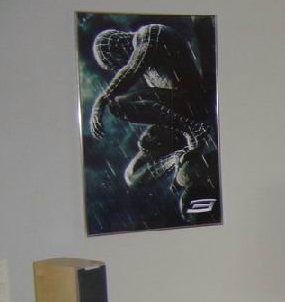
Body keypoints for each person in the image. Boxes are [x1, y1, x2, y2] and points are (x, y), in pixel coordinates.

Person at [89, 24, 215, 213]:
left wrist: (102, 100)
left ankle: (192, 130)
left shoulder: (150, 34)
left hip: (193, 104)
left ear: (115, 47)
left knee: (118, 103)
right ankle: (177, 158)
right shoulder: (142, 60)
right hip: (179, 120)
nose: (118, 66)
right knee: (133, 176)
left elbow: (132, 69)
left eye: (114, 62)